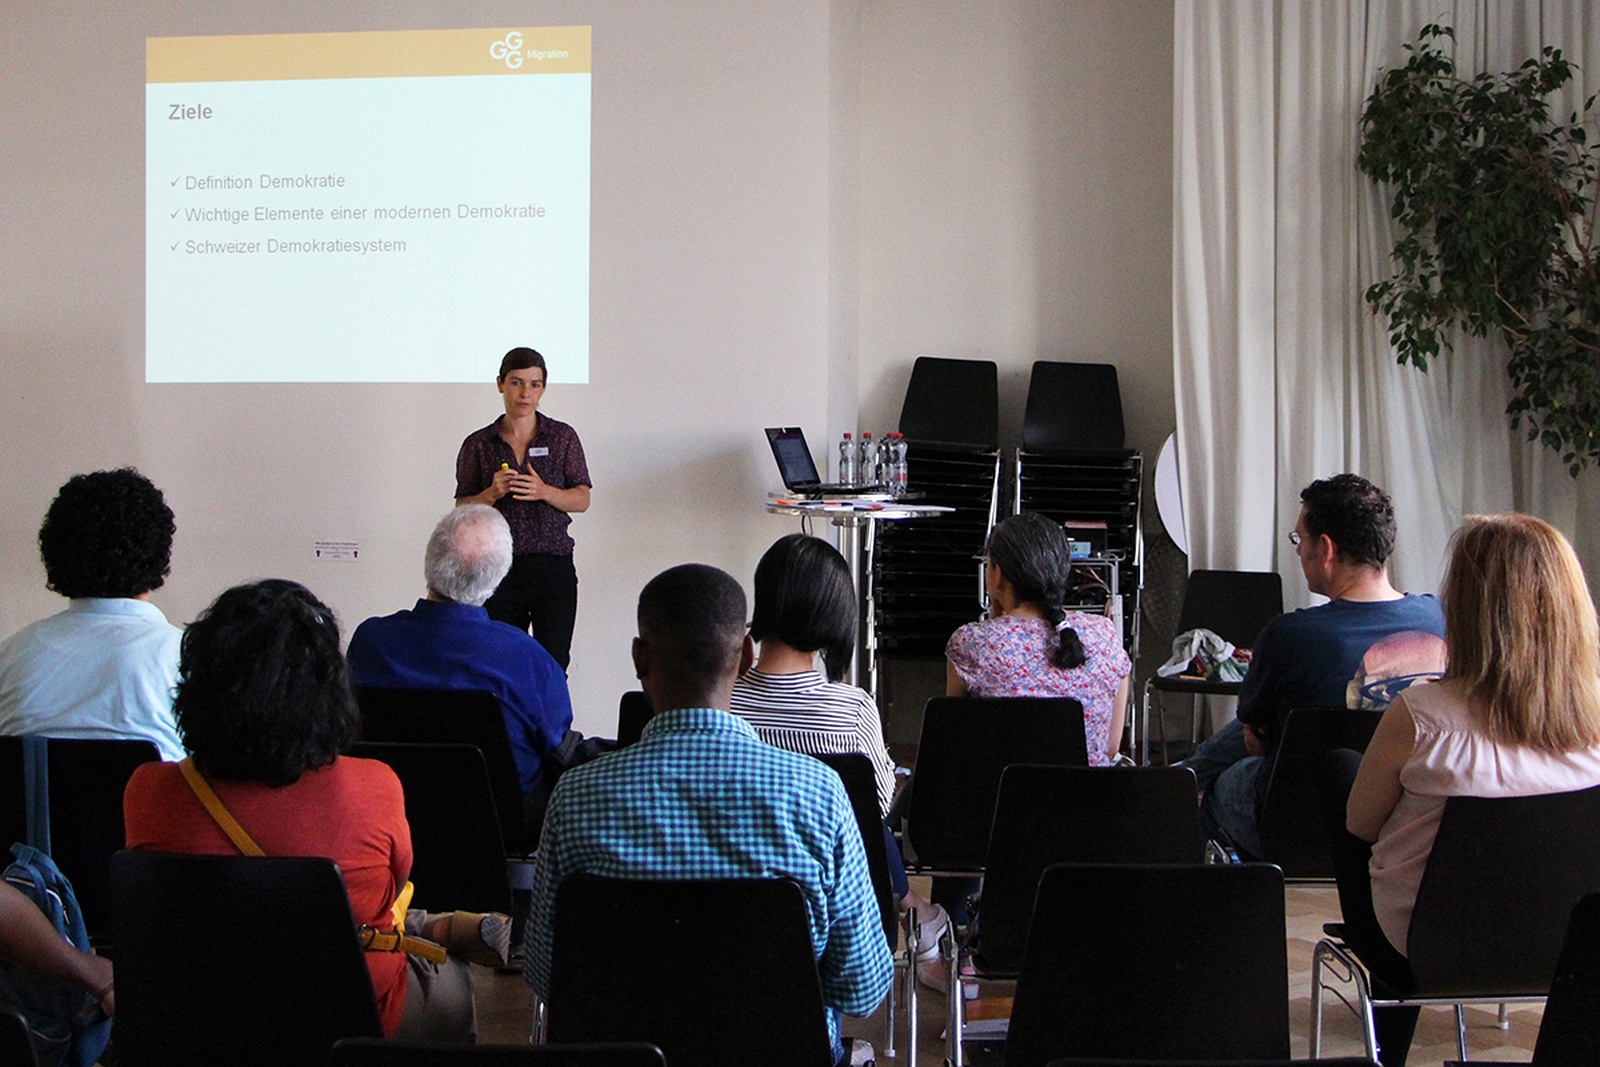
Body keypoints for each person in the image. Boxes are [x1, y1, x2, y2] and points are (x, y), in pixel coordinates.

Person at [525, 564, 892, 1065]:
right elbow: (861, 987)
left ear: (639, 657)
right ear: (746, 655)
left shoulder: (575, 798)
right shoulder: (819, 795)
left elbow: (548, 975)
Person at [124, 580, 497, 1041]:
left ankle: (432, 926)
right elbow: (392, 885)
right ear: (329, 691)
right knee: (454, 980)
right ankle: (437, 930)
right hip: (353, 1015)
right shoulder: (375, 785)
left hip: (200, 1012)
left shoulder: (148, 789)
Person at [1327, 514, 1600, 1067]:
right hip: (1569, 950)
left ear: (1468, 609)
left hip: (1421, 949)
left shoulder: (1422, 715)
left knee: (1340, 768)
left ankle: (1389, 1043)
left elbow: (1360, 825)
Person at [1183, 474, 1447, 858]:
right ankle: (1184, 774)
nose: (1298, 551)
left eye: (1299, 539)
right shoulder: (1439, 619)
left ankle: (1180, 790)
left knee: (1220, 783)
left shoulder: (1290, 634)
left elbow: (1256, 739)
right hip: (1409, 812)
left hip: (1298, 817)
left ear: (1325, 548)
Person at [730, 534, 946, 972]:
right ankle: (919, 916)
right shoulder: (852, 710)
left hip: (730, 901)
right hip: (831, 914)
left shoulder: (722, 703)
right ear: (835, 614)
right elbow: (875, 812)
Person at [346, 504, 574, 803]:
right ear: (499, 576)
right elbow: (557, 745)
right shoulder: (528, 658)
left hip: (390, 809)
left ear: (430, 561)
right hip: (504, 820)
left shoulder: (370, 641)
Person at [0, 469, 184, 760]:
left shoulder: (9, 658)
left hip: (33, 791)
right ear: (160, 551)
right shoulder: (188, 659)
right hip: (145, 790)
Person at [945, 512, 1132, 766]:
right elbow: (1110, 747)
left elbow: (954, 741)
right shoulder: (1104, 634)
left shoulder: (972, 643)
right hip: (1087, 789)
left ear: (997, 575)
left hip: (1000, 790)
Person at [454, 347, 591, 671]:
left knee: (553, 663)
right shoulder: (479, 443)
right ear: (500, 384)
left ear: (543, 388)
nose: (525, 393)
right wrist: (491, 493)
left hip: (552, 566)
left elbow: (582, 499)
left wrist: (544, 492)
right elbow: (461, 507)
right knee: (498, 661)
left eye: (534, 384)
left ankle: (548, 709)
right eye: (516, 383)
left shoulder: (562, 437)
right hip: (497, 566)